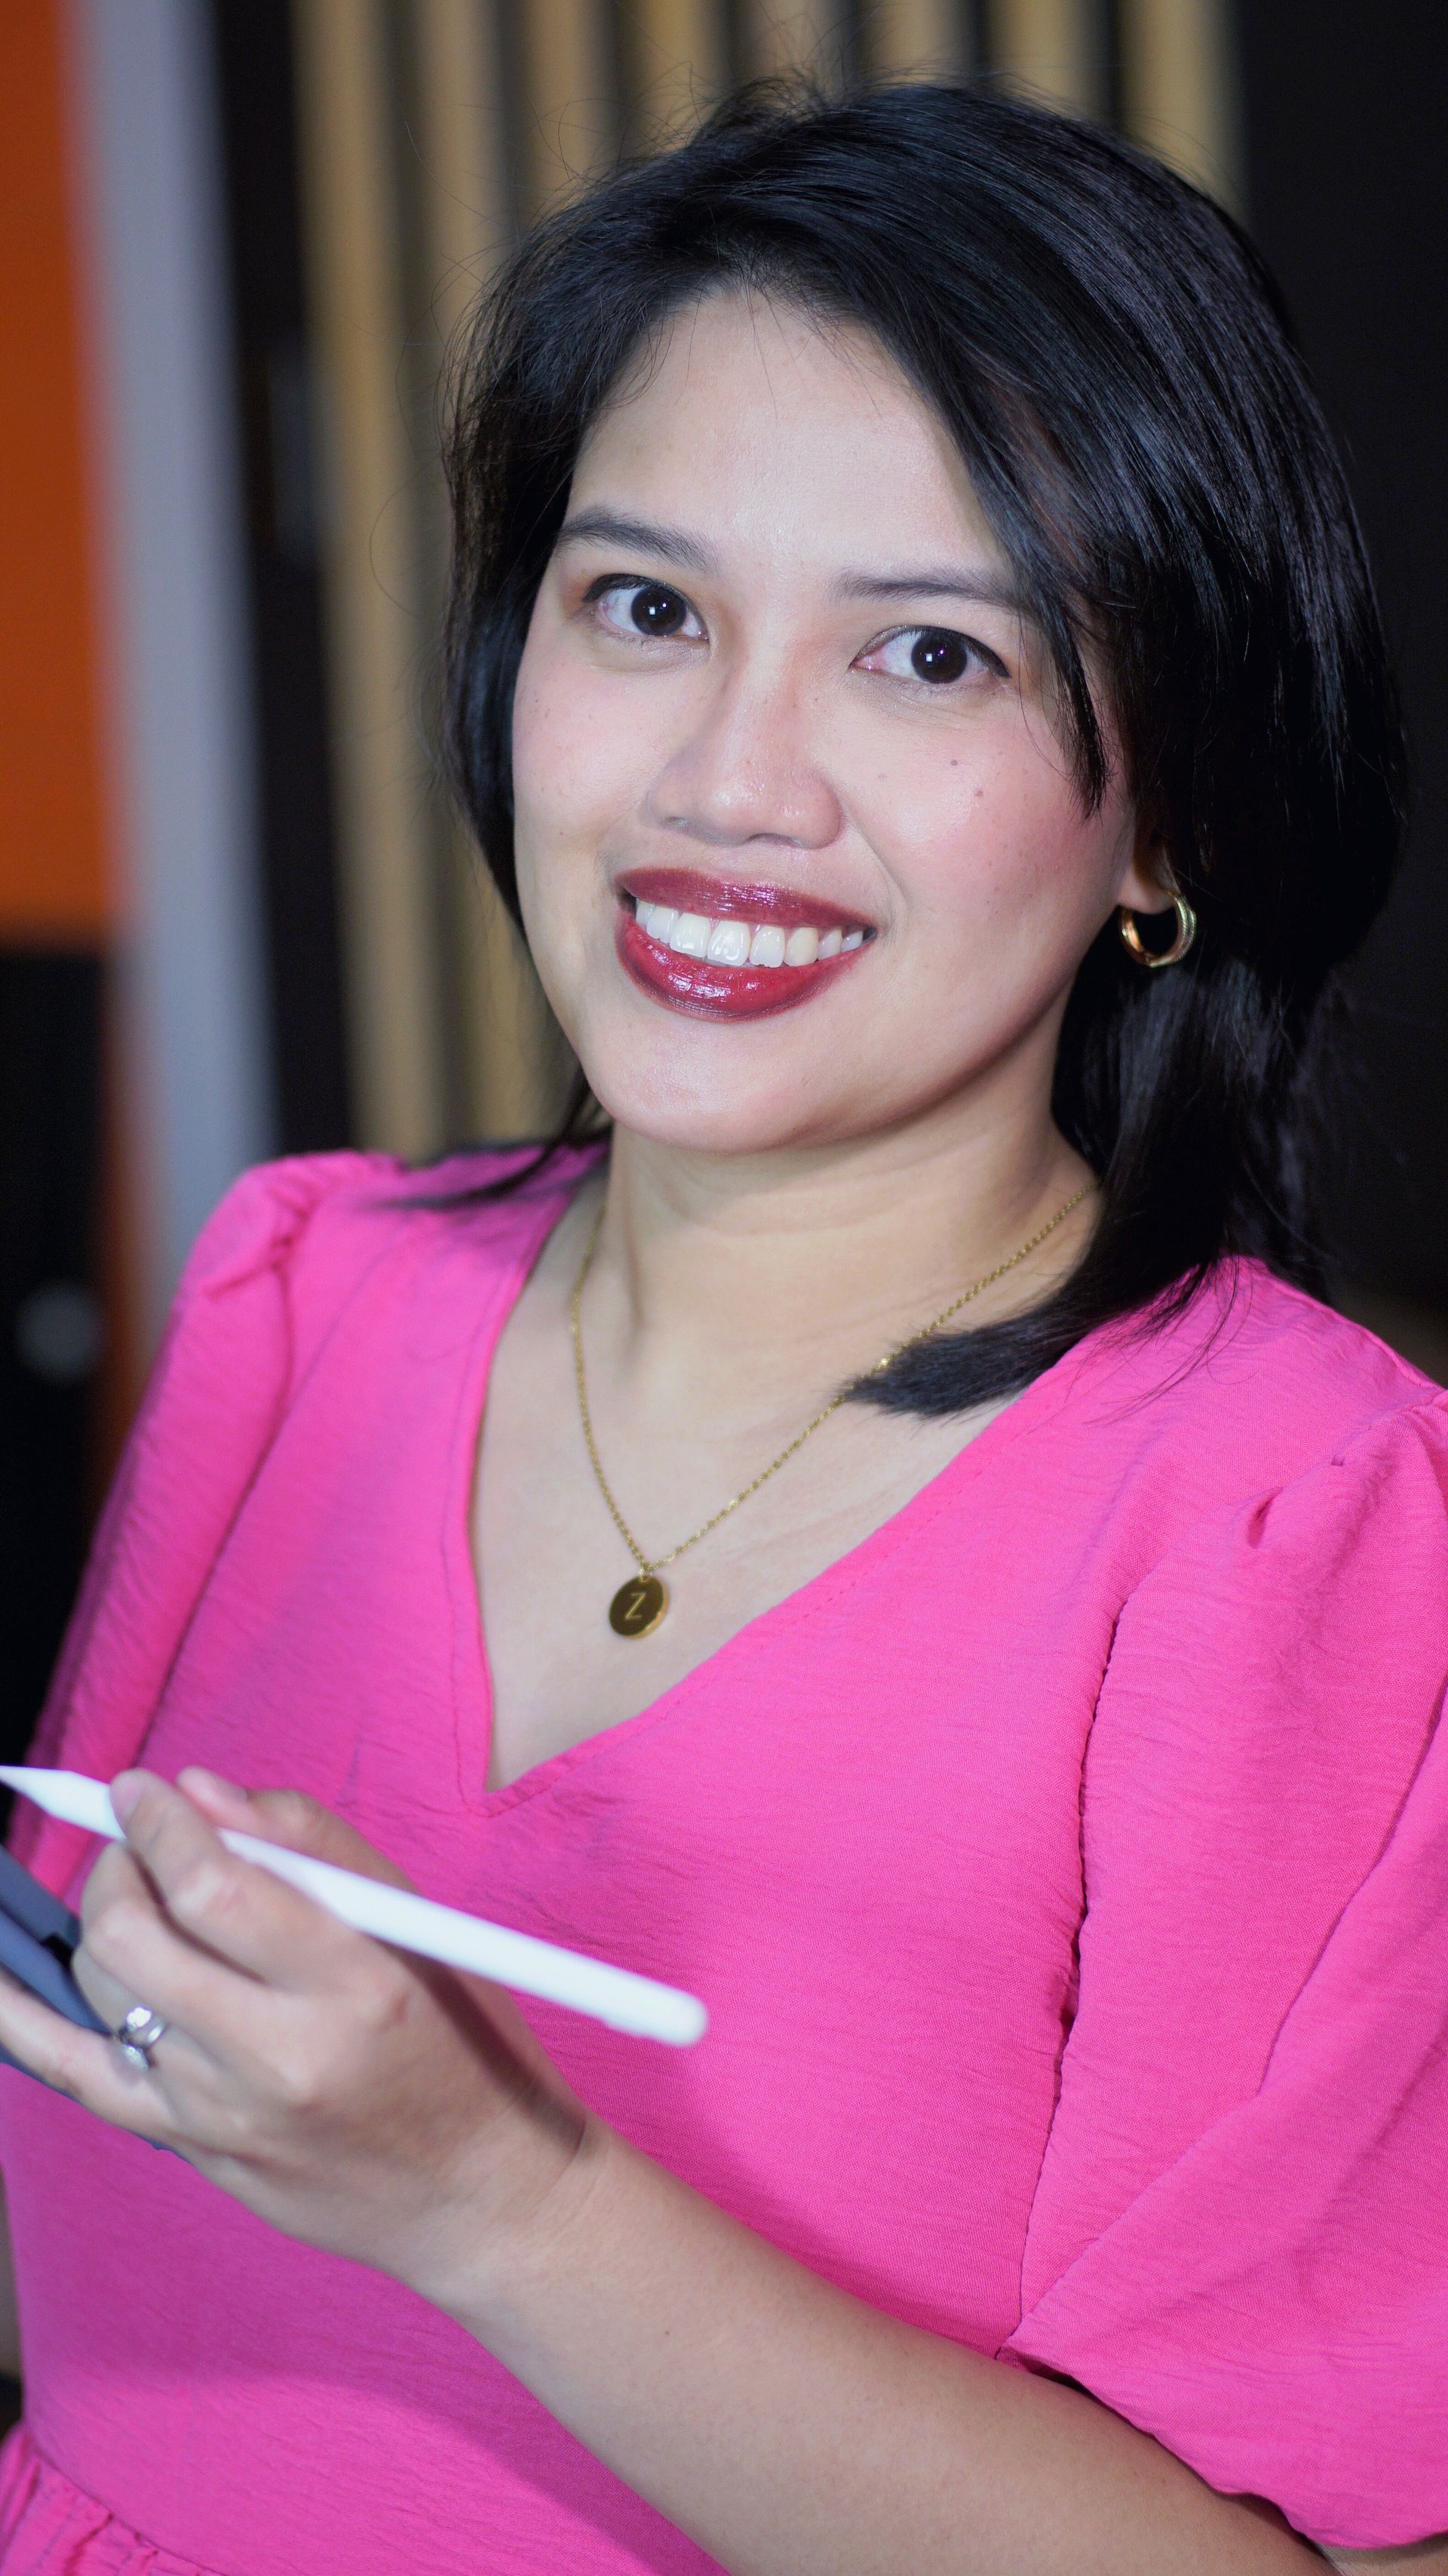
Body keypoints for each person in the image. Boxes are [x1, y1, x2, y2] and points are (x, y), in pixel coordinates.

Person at [0, 77, 1442, 2576]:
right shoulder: (296, 1295)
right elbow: (81, 2210)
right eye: (646, 607)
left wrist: (489, 2200)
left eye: (928, 654)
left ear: (1171, 815)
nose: (728, 783)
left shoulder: (1298, 1522)